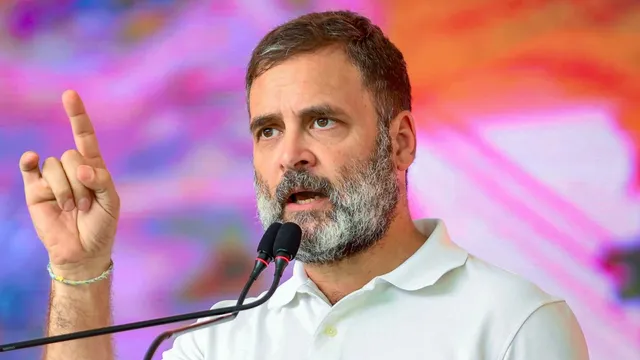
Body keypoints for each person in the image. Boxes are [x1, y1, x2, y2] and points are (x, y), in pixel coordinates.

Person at [18, 10, 589, 360]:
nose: (290, 155)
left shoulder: (516, 324)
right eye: (268, 130)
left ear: (402, 142)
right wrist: (77, 270)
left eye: (322, 121)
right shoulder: (218, 341)